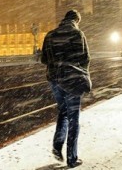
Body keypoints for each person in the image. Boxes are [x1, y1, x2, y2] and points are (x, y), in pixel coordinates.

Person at [41, 9, 90, 168]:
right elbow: (85, 59)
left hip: (54, 80)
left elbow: (44, 60)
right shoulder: (78, 34)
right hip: (71, 81)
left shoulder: (50, 35)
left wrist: (57, 63)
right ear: (76, 20)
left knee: (63, 112)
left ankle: (57, 145)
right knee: (73, 118)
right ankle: (72, 158)